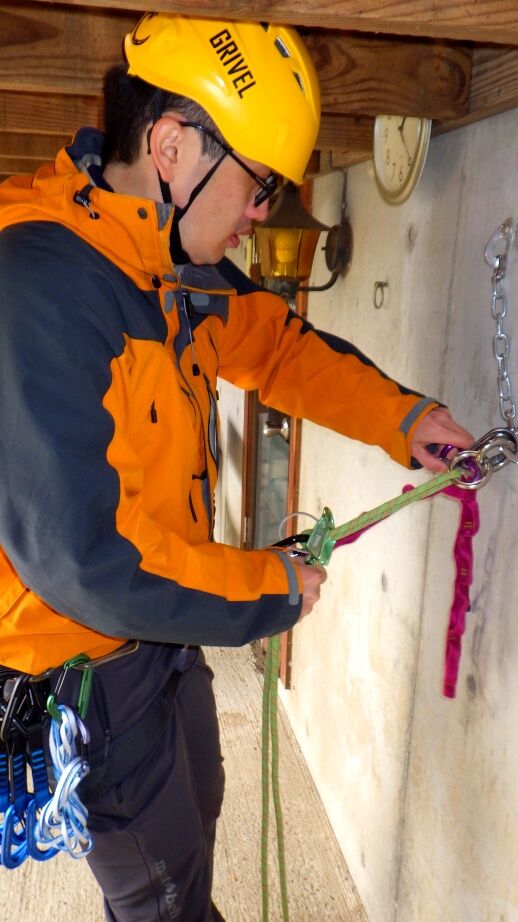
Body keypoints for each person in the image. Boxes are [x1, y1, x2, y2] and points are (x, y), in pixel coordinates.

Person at [0, 11, 473, 921]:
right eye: (258, 186)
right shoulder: (42, 283)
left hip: (165, 630)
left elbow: (281, 348)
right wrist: (266, 587)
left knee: (202, 809)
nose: (263, 213)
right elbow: (85, 560)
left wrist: (405, 418)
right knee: (162, 894)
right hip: (85, 663)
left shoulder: (170, 266)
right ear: (172, 147)